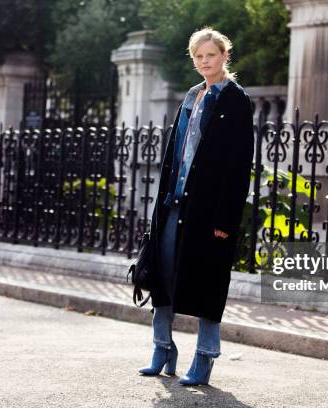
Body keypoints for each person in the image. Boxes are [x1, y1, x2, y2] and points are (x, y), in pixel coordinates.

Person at [138, 27, 254, 386]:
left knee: (207, 280)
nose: (205, 62)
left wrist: (225, 219)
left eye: (211, 55)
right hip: (175, 203)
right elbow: (175, 155)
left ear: (224, 56)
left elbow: (238, 165)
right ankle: (162, 348)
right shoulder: (191, 96)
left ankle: (205, 357)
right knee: (162, 274)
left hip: (209, 210)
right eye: (199, 57)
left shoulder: (235, 100)